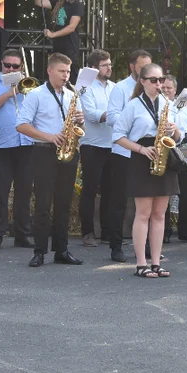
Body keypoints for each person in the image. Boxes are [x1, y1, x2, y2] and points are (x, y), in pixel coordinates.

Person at [113, 63, 183, 278]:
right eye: (154, 80)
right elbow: (117, 136)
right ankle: (140, 263)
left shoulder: (167, 103)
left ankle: (156, 262)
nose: (159, 84)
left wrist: (176, 130)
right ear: (142, 82)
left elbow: (178, 137)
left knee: (160, 214)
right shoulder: (133, 105)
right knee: (143, 214)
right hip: (143, 157)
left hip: (163, 154)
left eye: (161, 80)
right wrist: (142, 149)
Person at [15, 53, 85, 268]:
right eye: (62, 71)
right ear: (50, 71)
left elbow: (81, 128)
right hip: (44, 151)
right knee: (43, 204)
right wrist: (50, 136)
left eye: (68, 72)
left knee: (64, 204)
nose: (66, 76)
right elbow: (21, 125)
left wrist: (80, 122)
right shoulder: (35, 94)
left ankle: (61, 250)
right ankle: (39, 251)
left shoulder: (72, 95)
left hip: (68, 152)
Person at [0, 49, 35, 250]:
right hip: (2, 146)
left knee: (24, 193)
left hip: (26, 144)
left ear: (21, 67)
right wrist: (10, 93)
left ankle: (23, 234)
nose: (11, 69)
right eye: (7, 65)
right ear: (1, 65)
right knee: (0, 194)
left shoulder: (29, 84)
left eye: (15, 66)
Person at [104, 49, 152, 263]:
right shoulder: (120, 89)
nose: (146, 73)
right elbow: (112, 117)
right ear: (133, 67)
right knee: (119, 202)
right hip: (124, 152)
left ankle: (147, 247)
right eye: (143, 68)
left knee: (148, 203)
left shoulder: (153, 91)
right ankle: (116, 247)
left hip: (146, 154)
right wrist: (133, 122)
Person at [78, 49, 115, 248]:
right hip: (91, 144)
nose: (109, 68)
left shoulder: (114, 87)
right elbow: (90, 113)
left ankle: (108, 232)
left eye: (110, 64)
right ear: (94, 68)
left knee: (110, 190)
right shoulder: (85, 87)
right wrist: (117, 116)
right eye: (105, 65)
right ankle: (87, 232)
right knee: (90, 190)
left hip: (112, 144)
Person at [162, 75, 187, 244]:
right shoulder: (160, 105)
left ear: (176, 90)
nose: (166, 90)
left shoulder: (184, 107)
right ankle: (165, 231)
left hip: (184, 154)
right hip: (167, 153)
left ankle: (186, 230)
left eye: (170, 88)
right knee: (165, 194)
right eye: (164, 87)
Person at [34, 0, 84, 76]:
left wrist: (53, 34)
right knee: (56, 75)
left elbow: (71, 27)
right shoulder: (58, 2)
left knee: (70, 78)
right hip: (57, 48)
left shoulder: (77, 5)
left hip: (70, 48)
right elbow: (39, 2)